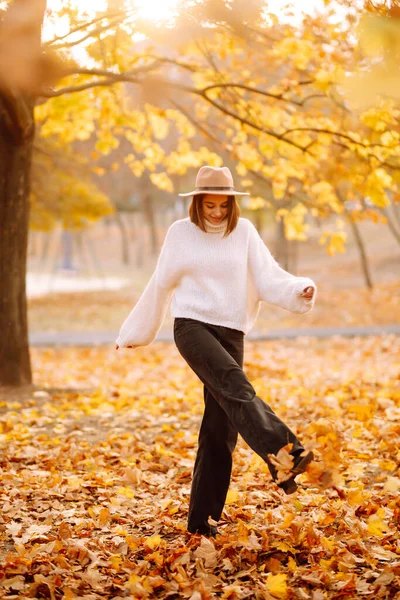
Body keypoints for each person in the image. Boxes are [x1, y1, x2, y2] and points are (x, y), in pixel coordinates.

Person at [116, 165, 317, 538]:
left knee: (220, 427)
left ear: (231, 204)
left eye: (223, 205)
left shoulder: (243, 232)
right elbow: (159, 285)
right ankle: (285, 452)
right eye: (209, 205)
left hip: (231, 332)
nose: (216, 212)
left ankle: (202, 522)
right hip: (192, 327)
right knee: (234, 385)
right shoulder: (180, 233)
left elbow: (268, 276)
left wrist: (299, 289)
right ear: (197, 202)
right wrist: (137, 330)